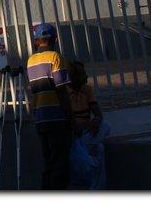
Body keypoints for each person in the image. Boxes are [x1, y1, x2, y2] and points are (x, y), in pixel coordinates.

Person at [27, 22, 74, 190]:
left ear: (36, 41)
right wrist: (70, 114)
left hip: (40, 117)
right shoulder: (56, 57)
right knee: (60, 162)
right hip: (57, 117)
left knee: (47, 162)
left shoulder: (31, 61)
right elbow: (61, 89)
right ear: (54, 39)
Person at [68, 61, 110, 190]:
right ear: (73, 78)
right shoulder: (65, 93)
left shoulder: (87, 89)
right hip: (75, 133)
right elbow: (70, 122)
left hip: (87, 132)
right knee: (99, 148)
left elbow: (97, 112)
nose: (86, 77)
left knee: (105, 127)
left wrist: (96, 121)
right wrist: (86, 125)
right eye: (82, 75)